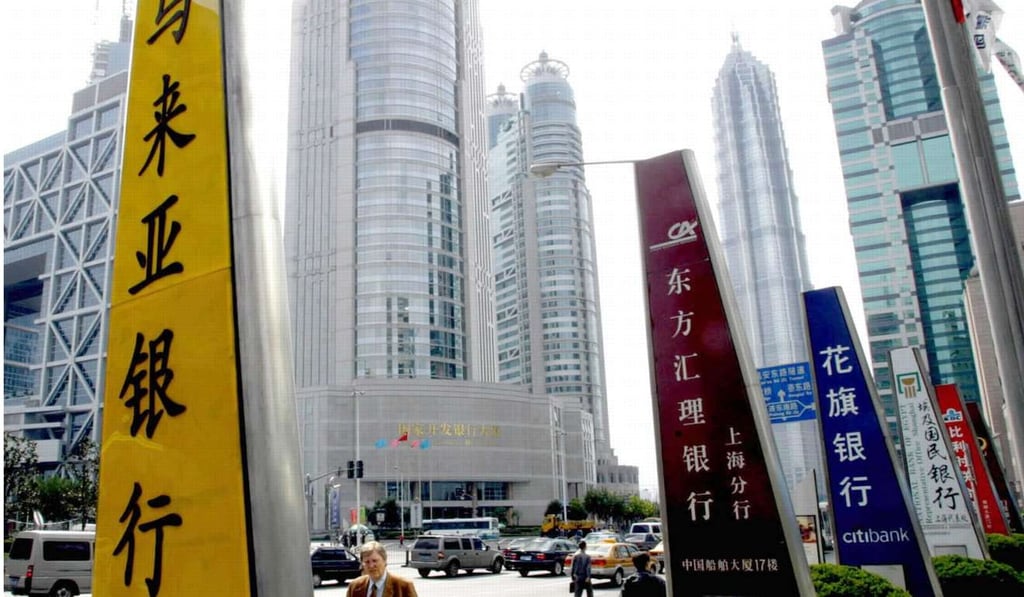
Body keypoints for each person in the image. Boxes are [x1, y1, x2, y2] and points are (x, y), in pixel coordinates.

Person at [346, 541, 418, 597]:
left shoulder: (403, 586)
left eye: (375, 561)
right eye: (367, 562)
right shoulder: (355, 586)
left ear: (385, 561)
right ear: (362, 564)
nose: (371, 565)